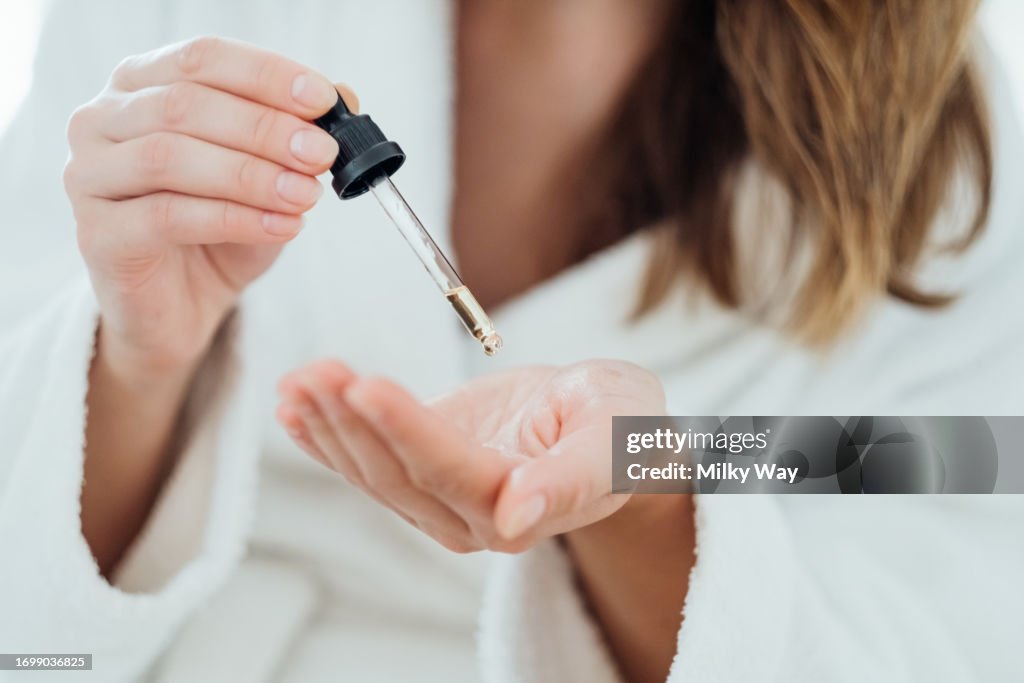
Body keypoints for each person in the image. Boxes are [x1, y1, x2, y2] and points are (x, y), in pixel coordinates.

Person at [1, 0, 1022, 681]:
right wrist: (140, 359)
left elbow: (960, 536)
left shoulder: (947, 133)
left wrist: (642, 479)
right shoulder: (157, 23)